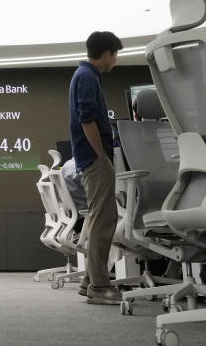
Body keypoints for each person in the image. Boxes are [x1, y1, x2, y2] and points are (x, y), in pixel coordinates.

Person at [69, 30, 123, 305]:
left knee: (100, 219)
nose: (115, 61)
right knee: (104, 223)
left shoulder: (85, 76)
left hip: (90, 159)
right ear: (108, 53)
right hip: (94, 160)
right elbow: (87, 120)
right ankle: (100, 287)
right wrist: (102, 156)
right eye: (116, 55)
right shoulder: (88, 77)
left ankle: (89, 280)